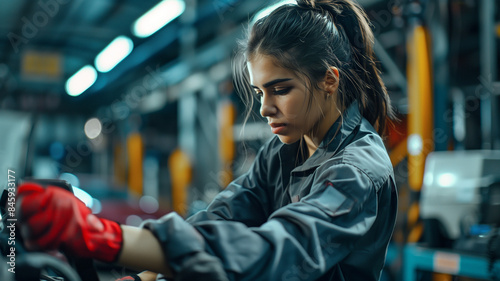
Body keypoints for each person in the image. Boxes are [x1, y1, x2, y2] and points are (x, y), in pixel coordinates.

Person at [16, 0, 398, 280]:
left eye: (280, 89)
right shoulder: (284, 151)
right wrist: (144, 277)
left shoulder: (357, 172)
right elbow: (222, 216)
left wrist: (109, 239)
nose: (265, 109)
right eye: (260, 92)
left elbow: (276, 250)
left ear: (328, 80)